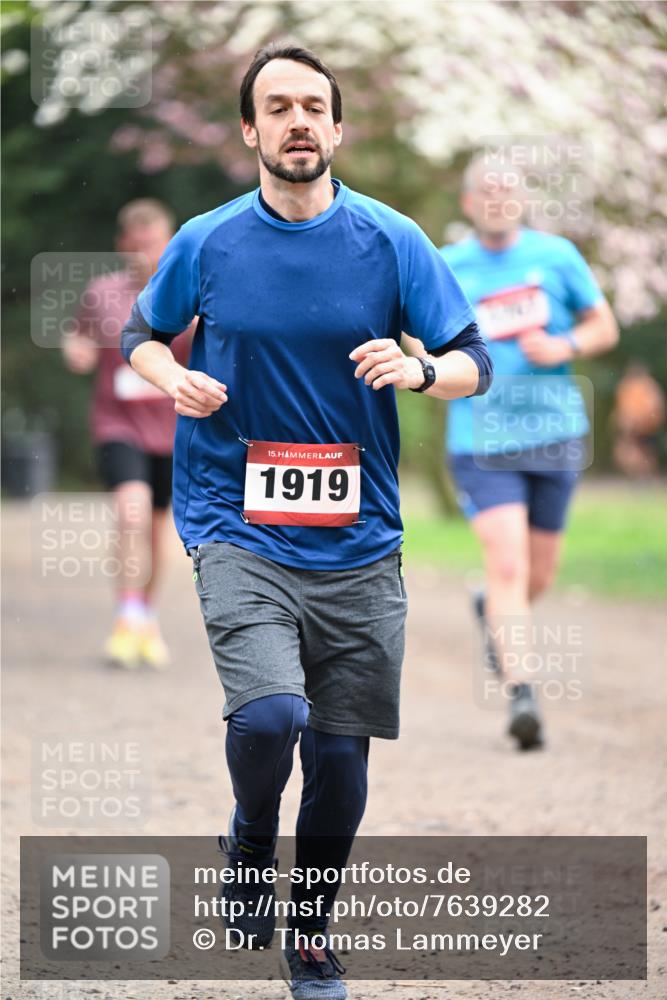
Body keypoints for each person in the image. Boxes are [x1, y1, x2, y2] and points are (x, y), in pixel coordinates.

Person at [121, 44, 492, 999]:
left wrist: (417, 370)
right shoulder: (206, 241)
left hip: (359, 537)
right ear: (249, 130)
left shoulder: (391, 239)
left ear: (335, 128)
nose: (296, 121)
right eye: (276, 106)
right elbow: (142, 338)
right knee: (274, 714)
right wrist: (175, 378)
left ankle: (311, 931)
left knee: (337, 748)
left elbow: (472, 358)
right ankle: (250, 835)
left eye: (312, 107)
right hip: (234, 521)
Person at [440, 153, 618, 750]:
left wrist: (565, 342)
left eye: (507, 190)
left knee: (538, 572)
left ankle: (493, 609)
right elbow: (425, 346)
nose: (497, 199)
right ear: (468, 204)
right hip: (480, 438)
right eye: (486, 191)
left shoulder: (556, 256)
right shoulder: (448, 267)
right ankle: (523, 693)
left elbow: (604, 326)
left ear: (521, 200)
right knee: (510, 562)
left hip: (554, 432)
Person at [62, 199, 194, 670]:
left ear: (170, 243)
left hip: (172, 430)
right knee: (130, 513)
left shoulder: (185, 294)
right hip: (117, 425)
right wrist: (75, 349)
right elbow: (78, 333)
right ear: (122, 246)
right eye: (135, 246)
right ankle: (127, 614)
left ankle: (145, 616)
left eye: (153, 244)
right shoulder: (102, 294)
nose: (145, 254)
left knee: (157, 530)